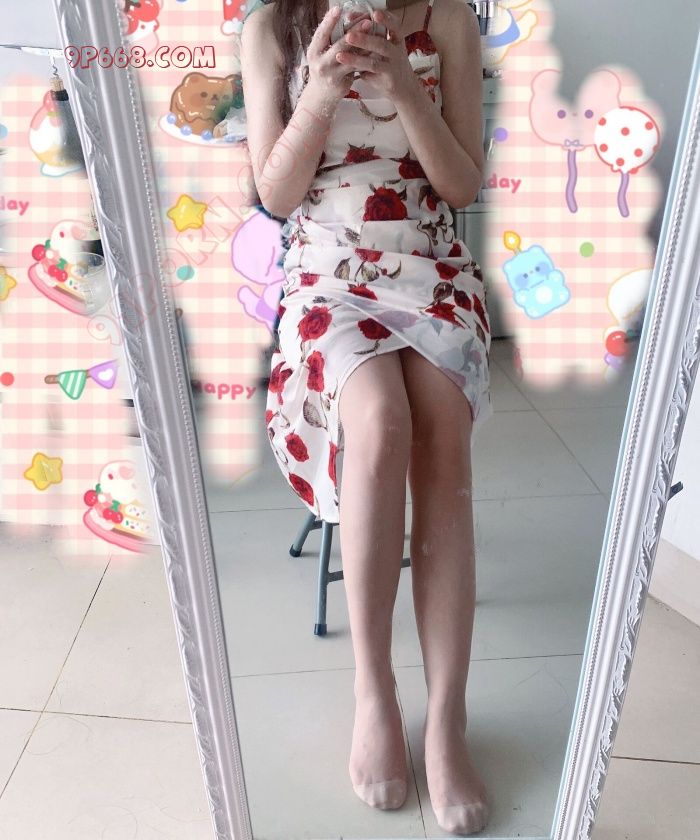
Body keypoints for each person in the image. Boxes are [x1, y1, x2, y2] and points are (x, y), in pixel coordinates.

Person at [241, 0, 492, 833]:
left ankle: (447, 716)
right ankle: (374, 690)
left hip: (431, 265)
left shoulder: (447, 17)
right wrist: (319, 89)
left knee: (442, 431)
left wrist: (406, 90)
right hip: (325, 269)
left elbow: (461, 186)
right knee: (379, 422)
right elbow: (275, 197)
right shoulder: (270, 27)